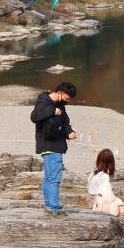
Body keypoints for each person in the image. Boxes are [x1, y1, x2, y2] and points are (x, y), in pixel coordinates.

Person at [30, 81, 77, 216]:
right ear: (59, 92)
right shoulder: (43, 101)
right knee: (54, 178)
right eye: (67, 98)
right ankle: (56, 208)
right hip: (49, 145)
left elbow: (65, 122)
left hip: (54, 144)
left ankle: (49, 205)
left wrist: (69, 132)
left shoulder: (61, 105)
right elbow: (34, 116)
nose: (68, 101)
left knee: (49, 178)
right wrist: (52, 111)